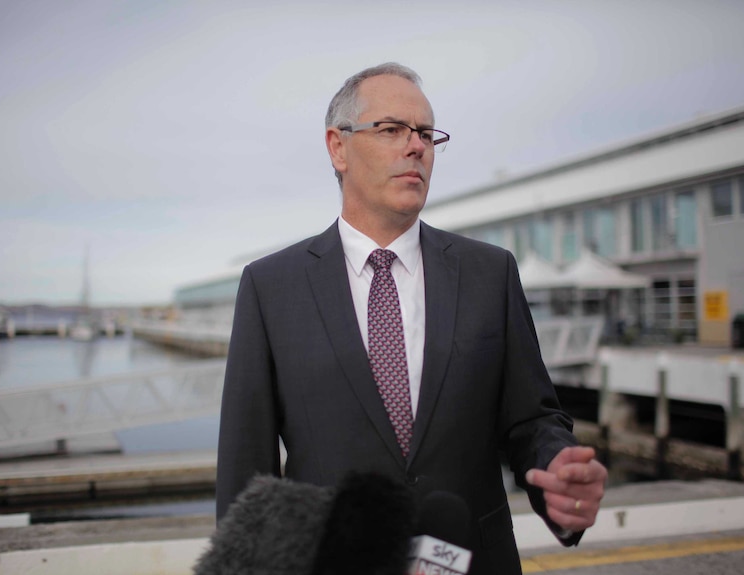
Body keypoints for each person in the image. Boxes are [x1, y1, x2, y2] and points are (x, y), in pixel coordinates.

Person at [216, 62, 607, 575]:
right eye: (392, 129)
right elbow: (247, 467)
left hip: (473, 561)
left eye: (425, 133)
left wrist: (556, 466)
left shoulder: (489, 273)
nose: (416, 146)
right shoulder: (271, 287)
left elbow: (531, 419)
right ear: (338, 147)